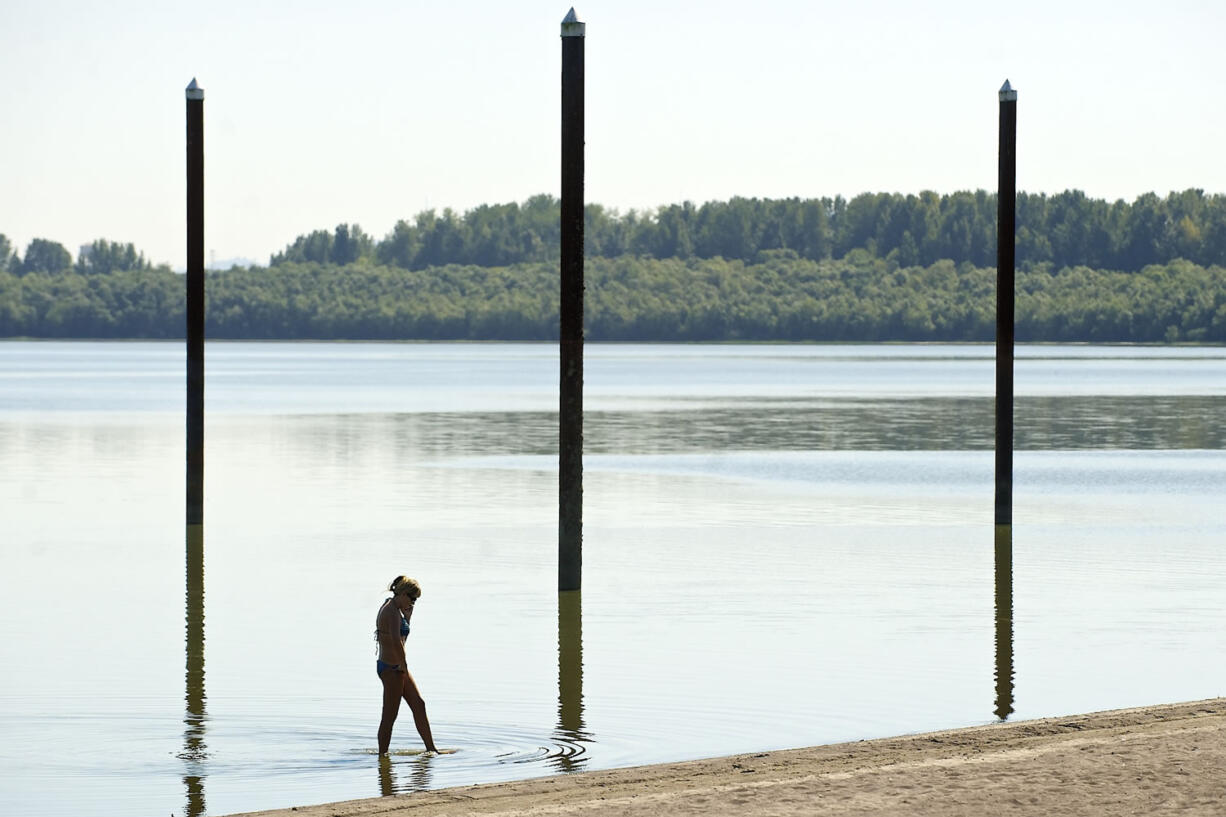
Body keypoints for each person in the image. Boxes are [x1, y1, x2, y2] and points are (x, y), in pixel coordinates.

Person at [376, 575, 438, 755]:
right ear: (402, 594)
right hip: (391, 668)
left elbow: (401, 640)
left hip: (399, 667)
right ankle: (382, 757)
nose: (413, 602)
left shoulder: (397, 611)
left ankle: (431, 749)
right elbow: (395, 642)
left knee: (419, 704)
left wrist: (408, 620)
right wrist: (403, 664)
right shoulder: (390, 611)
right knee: (389, 716)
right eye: (412, 598)